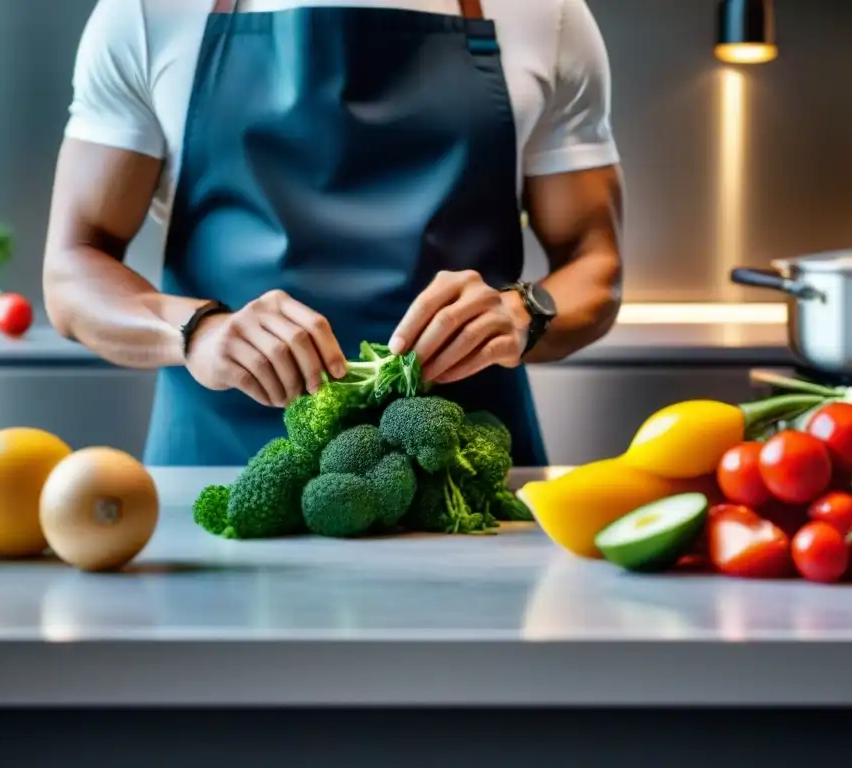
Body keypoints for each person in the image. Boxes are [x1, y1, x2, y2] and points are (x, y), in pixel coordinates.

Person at [43, 0, 624, 468]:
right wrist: (196, 332)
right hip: (218, 471)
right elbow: (73, 270)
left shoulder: (547, 15)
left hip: (463, 476)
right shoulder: (148, 13)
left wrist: (525, 314)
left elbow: (595, 263)